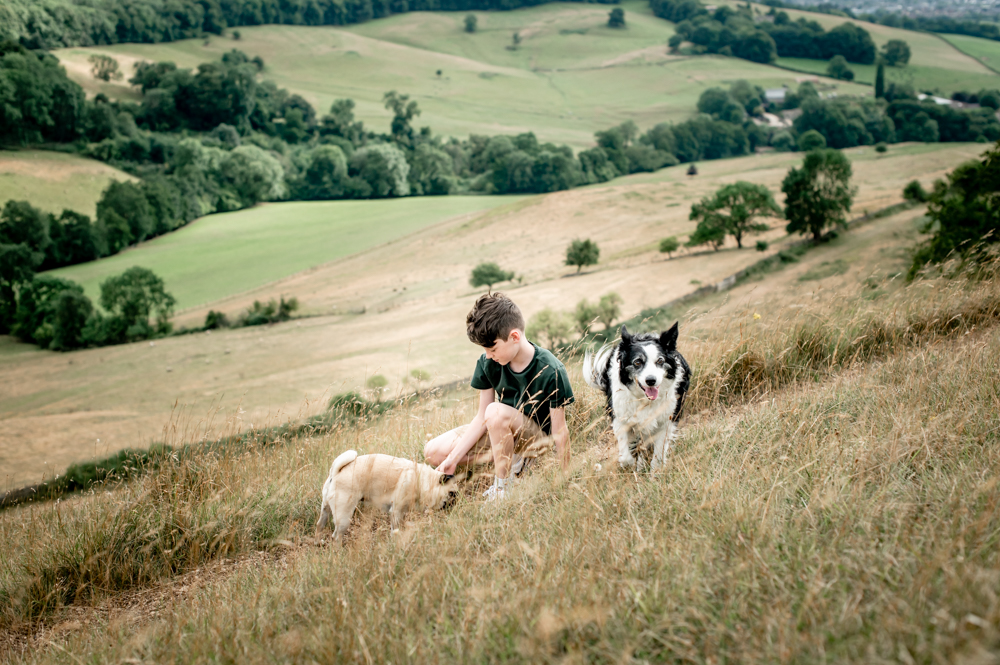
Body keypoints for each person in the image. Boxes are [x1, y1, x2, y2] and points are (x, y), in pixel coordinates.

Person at [424, 292, 574, 501]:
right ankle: (506, 459)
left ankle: (503, 487)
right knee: (433, 452)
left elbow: (559, 429)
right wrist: (452, 460)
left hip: (534, 439)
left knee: (495, 411)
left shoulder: (551, 369)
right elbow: (480, 418)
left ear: (514, 337)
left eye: (492, 348)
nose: (487, 355)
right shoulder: (488, 363)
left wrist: (564, 475)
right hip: (498, 427)